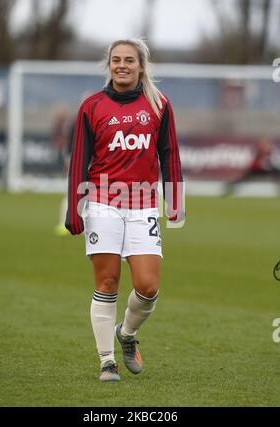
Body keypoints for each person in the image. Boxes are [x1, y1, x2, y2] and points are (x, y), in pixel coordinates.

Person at [65, 38, 184, 382]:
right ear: (109, 65)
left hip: (144, 203)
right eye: (116, 59)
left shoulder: (160, 105)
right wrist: (75, 208)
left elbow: (170, 154)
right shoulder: (91, 106)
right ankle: (106, 361)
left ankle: (127, 334)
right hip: (102, 201)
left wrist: (175, 200)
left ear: (141, 66)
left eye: (129, 60)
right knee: (107, 280)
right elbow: (79, 160)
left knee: (147, 287)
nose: (122, 65)